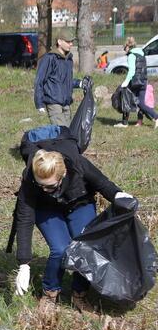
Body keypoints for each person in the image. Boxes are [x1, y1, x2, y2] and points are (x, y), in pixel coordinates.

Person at [13, 144, 134, 313]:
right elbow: (24, 220)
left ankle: (79, 294)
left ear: (63, 175)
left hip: (79, 203)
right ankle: (50, 294)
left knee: (85, 246)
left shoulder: (78, 164)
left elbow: (102, 183)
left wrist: (118, 195)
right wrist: (24, 264)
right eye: (41, 186)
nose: (44, 190)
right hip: (46, 209)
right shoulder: (30, 180)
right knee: (61, 249)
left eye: (50, 186)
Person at [34, 29, 83, 127]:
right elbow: (39, 81)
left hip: (66, 103)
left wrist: (80, 83)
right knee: (61, 133)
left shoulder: (68, 59)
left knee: (68, 132)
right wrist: (39, 103)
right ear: (59, 42)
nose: (71, 44)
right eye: (68, 41)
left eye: (71, 42)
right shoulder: (49, 58)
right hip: (53, 104)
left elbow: (65, 81)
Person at [114, 37, 158, 128]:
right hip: (144, 81)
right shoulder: (142, 54)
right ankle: (155, 118)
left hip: (135, 82)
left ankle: (124, 123)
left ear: (128, 46)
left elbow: (132, 71)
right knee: (141, 103)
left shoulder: (131, 55)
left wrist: (125, 83)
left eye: (124, 47)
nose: (124, 50)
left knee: (125, 98)